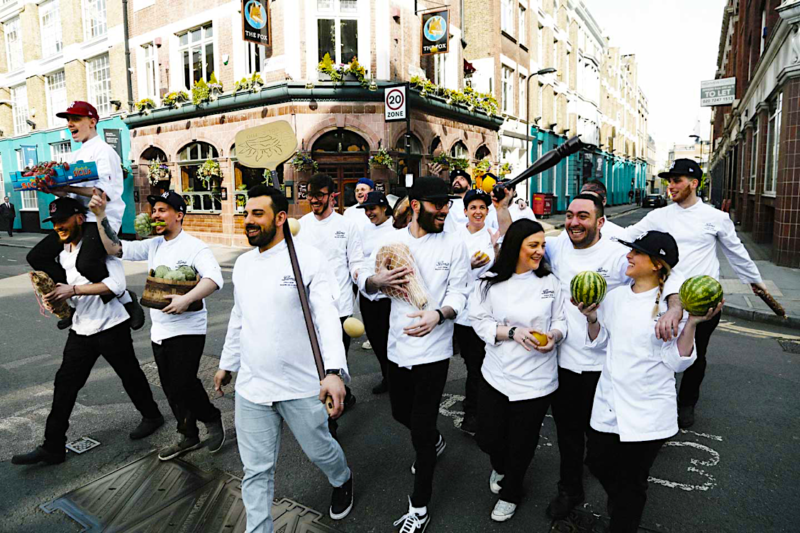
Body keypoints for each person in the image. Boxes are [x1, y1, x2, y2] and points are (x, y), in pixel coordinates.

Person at [215, 185, 354, 532]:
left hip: (301, 384)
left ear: (280, 218)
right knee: (256, 471)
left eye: (257, 214)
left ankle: (342, 478)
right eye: (246, 214)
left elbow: (326, 317)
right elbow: (239, 317)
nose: (248, 221)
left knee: (320, 451)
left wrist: (333, 372)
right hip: (252, 388)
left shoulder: (308, 259)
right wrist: (228, 363)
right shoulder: (244, 264)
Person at [542, 193, 685, 520]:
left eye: (583, 216)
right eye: (570, 215)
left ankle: (622, 497)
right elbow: (520, 243)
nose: (574, 222)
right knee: (567, 436)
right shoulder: (558, 245)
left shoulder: (618, 253)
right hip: (565, 360)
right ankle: (570, 490)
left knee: (602, 446)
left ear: (601, 222)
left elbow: (668, 273)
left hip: (602, 367)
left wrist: (674, 307)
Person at [580, 231, 721, 533]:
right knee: (596, 462)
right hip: (609, 402)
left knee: (633, 483)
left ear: (657, 264)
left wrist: (691, 324)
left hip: (648, 410)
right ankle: (621, 503)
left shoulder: (671, 309)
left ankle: (623, 522)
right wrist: (591, 318)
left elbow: (677, 361)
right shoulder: (614, 297)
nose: (628, 256)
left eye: (637, 252)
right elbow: (600, 342)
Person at [11, 198, 163, 466]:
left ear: (80, 218)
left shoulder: (100, 247)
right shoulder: (61, 254)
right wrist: (58, 300)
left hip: (111, 326)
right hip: (81, 328)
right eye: (55, 223)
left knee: (130, 375)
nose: (59, 226)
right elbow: (66, 290)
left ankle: (152, 416)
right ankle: (53, 447)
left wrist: (73, 290)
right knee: (64, 385)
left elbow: (116, 284)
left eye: (63, 221)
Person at [361, 176, 471, 532]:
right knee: (399, 412)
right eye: (437, 204)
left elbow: (460, 292)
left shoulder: (454, 244)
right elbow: (366, 277)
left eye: (447, 204)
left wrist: (439, 314)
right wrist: (376, 282)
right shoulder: (391, 242)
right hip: (398, 346)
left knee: (420, 430)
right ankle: (435, 440)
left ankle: (419, 508)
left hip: (434, 350)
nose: (444, 210)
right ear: (415, 204)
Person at [623, 158, 765, 428]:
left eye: (677, 181)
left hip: (703, 302)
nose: (671, 186)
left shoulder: (716, 218)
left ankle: (686, 403)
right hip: (665, 297)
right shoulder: (659, 216)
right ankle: (656, 401)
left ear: (694, 183)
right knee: (657, 351)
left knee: (696, 356)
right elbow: (628, 235)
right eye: (669, 181)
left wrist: (755, 281)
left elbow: (736, 251)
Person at [91, 190, 226, 461]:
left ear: (179, 215)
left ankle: (212, 418)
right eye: (154, 211)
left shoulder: (195, 247)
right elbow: (114, 248)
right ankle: (188, 434)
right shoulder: (153, 245)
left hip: (188, 329)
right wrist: (100, 215)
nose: (155, 215)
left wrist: (186, 299)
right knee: (170, 388)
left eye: (162, 210)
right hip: (160, 331)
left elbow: (214, 278)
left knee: (183, 383)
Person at [469, 219, 566, 522]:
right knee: (488, 437)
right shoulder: (489, 282)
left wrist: (555, 337)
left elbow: (560, 320)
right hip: (497, 374)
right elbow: (479, 320)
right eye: (533, 245)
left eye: (542, 245)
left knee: (522, 443)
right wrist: (511, 333)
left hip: (537, 379)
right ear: (515, 246)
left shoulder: (550, 282)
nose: (540, 251)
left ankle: (511, 492)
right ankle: (500, 466)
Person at [26, 101, 144, 331]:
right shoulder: (76, 155)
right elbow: (71, 193)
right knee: (37, 256)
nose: (70, 124)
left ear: (92, 121)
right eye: (68, 120)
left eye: (76, 119)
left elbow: (103, 193)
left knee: (86, 263)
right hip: (78, 219)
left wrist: (68, 188)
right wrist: (53, 190)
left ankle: (126, 299)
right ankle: (69, 305)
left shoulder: (104, 152)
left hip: (100, 219)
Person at [298, 173, 365, 409]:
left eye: (319, 195)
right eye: (310, 195)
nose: (313, 200)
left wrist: (362, 276)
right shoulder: (300, 226)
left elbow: (355, 261)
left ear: (332, 196)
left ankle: (331, 416)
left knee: (334, 359)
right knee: (314, 359)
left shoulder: (347, 225)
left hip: (340, 306)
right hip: (309, 305)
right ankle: (338, 396)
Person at [452, 189, 498, 435]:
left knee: (479, 364)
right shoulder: (455, 237)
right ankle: (474, 410)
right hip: (462, 313)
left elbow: (503, 269)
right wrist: (467, 265)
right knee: (473, 364)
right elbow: (447, 272)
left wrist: (496, 249)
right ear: (465, 211)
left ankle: (474, 413)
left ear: (487, 211)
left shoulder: (492, 235)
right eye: (473, 207)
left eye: (482, 207)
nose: (478, 212)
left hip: (487, 311)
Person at [356, 191, 397, 394]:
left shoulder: (396, 228)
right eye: (366, 209)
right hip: (367, 293)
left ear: (384, 208)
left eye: (372, 208)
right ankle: (386, 376)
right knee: (376, 339)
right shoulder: (364, 229)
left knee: (391, 340)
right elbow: (359, 256)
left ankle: (396, 377)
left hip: (389, 296)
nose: (369, 213)